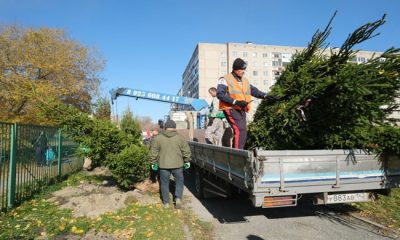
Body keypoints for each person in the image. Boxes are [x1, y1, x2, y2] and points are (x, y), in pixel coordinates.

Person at [217, 58, 279, 149]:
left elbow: (254, 91)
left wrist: (266, 96)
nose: (243, 71)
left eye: (244, 69)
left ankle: (237, 150)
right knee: (240, 129)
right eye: (241, 69)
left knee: (242, 131)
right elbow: (220, 94)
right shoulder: (225, 79)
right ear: (235, 69)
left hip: (241, 109)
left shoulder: (244, 80)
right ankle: (238, 154)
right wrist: (235, 102)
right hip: (230, 108)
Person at [149, 120, 191, 209]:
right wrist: (187, 161)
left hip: (163, 166)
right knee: (179, 182)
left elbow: (153, 152)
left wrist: (153, 163)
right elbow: (186, 151)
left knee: (164, 184)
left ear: (165, 127)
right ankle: (178, 198)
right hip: (178, 165)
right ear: (174, 127)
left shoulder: (158, 138)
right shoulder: (180, 138)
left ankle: (166, 203)